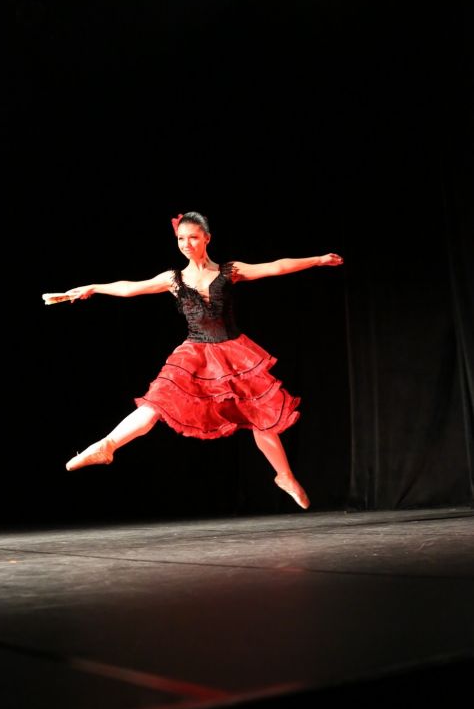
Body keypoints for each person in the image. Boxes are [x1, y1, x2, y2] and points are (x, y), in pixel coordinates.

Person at [48, 211, 343, 511]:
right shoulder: (173, 279)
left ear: (207, 238)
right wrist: (94, 288)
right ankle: (106, 446)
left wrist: (317, 259)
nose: (186, 244)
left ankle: (285, 477)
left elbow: (275, 267)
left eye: (192, 238)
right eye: (180, 239)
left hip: (234, 354)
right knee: (156, 404)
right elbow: (129, 287)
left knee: (259, 417)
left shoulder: (230, 271)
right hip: (194, 355)